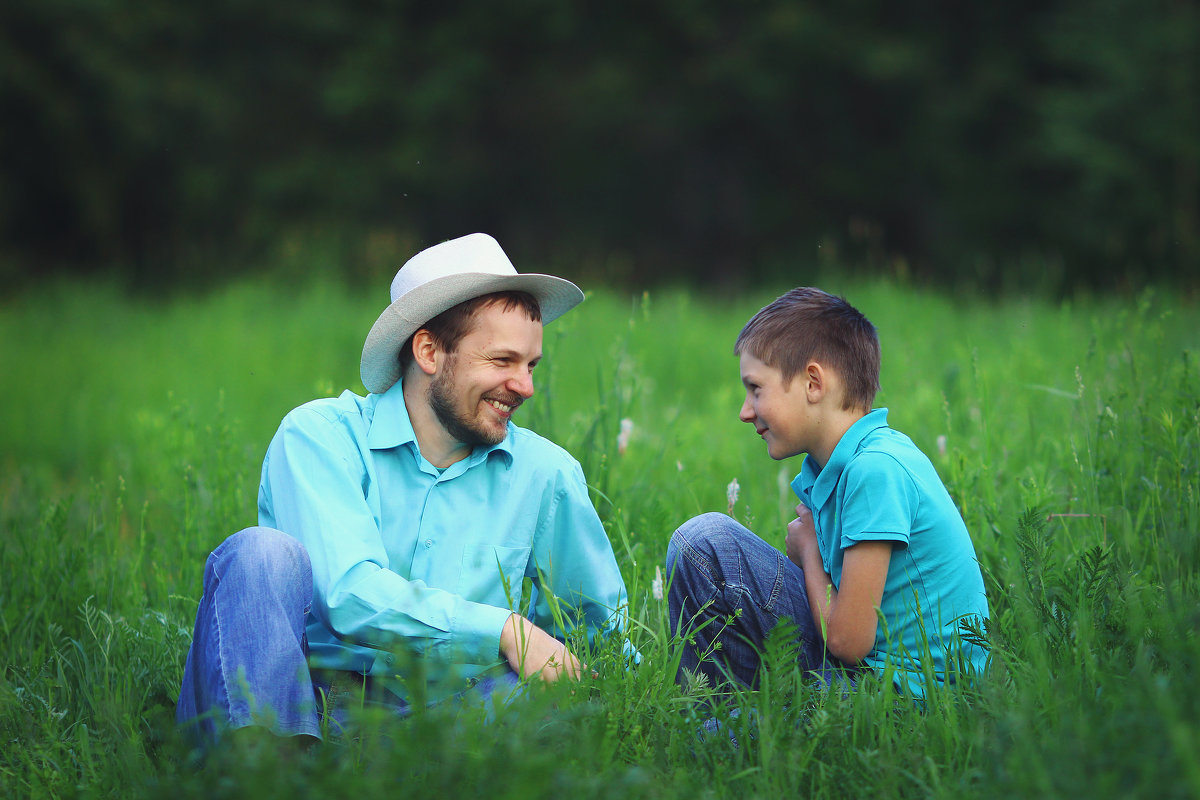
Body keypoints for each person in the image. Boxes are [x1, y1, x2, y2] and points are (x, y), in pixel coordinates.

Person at [176, 233, 630, 743]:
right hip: (308, 705)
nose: (524, 386)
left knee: (563, 713)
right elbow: (347, 593)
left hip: (450, 716)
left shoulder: (546, 474)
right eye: (503, 362)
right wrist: (504, 629)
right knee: (259, 554)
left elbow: (600, 635)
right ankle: (269, 774)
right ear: (430, 351)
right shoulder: (321, 437)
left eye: (531, 366)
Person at [666, 287, 989, 697]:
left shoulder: (876, 471)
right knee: (704, 543)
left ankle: (715, 722)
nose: (745, 411)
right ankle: (710, 708)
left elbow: (849, 643)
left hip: (906, 693)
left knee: (720, 741)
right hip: (867, 672)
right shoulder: (841, 467)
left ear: (813, 383)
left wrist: (810, 553)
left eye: (756, 388)